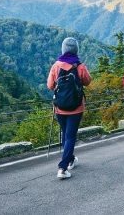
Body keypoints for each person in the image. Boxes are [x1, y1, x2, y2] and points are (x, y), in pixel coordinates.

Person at [47, 37, 92, 180]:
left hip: (60, 108)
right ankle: (62, 167)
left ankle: (71, 160)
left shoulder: (56, 66)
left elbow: (50, 85)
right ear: (76, 50)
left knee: (66, 134)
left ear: (63, 49)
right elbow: (88, 81)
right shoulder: (80, 66)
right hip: (76, 108)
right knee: (70, 136)